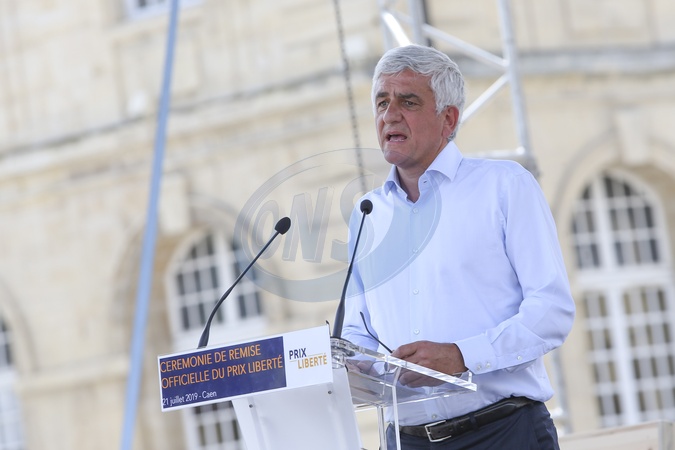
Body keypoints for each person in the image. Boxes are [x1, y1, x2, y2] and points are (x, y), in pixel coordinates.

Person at [341, 44, 576, 449]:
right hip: (406, 439)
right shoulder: (367, 215)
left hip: (503, 432)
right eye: (381, 102)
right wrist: (351, 366)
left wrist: (461, 356)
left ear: (448, 118)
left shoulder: (504, 187)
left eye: (407, 101)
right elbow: (356, 330)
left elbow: (551, 311)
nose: (389, 115)